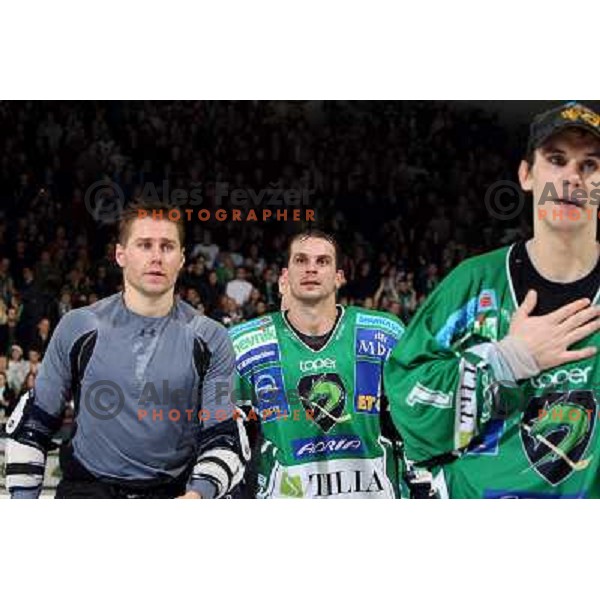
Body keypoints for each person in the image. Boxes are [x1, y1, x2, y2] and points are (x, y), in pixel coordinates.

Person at [384, 101, 600, 498]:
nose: (572, 177)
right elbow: (409, 409)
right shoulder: (472, 283)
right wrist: (505, 360)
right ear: (526, 174)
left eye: (590, 165)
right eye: (556, 159)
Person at [5, 200, 249, 499]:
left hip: (175, 494)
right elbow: (33, 427)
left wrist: (197, 495)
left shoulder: (212, 338)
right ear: (121, 254)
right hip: (88, 492)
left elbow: (222, 436)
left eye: (167, 246)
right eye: (145, 245)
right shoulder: (78, 327)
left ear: (182, 258)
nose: (157, 257)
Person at [230, 230, 406, 499]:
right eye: (301, 260)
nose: (311, 268)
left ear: (339, 277)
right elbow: (226, 435)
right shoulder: (245, 343)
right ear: (285, 276)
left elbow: (415, 424)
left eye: (322, 261)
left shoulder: (384, 333)